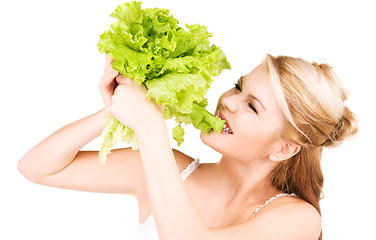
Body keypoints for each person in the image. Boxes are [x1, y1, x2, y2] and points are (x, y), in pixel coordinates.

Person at [18, 54, 358, 240]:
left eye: (253, 106)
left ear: (284, 149)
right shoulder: (170, 169)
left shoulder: (297, 219)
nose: (228, 102)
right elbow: (36, 167)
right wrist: (113, 112)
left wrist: (152, 129)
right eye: (238, 88)